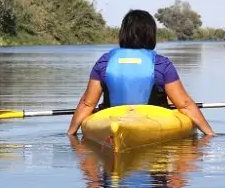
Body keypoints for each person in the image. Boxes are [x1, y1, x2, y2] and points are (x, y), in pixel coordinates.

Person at [66, 9, 215, 136]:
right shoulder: (161, 64)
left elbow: (87, 104)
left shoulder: (104, 62)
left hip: (112, 121)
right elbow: (185, 105)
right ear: (151, 34)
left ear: (123, 33)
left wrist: (71, 134)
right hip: (152, 122)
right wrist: (209, 133)